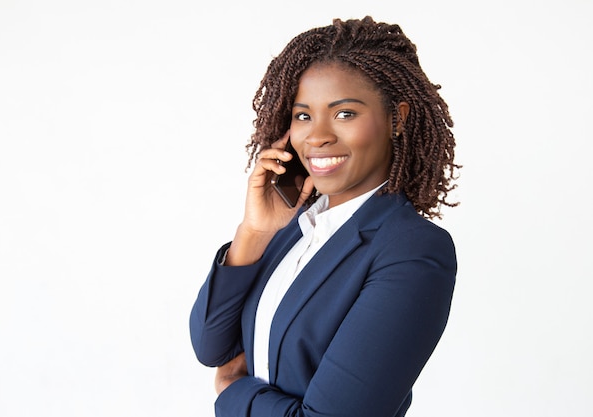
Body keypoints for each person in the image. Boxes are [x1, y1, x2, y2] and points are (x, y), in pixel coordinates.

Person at [189, 16, 460, 417]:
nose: (317, 136)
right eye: (303, 116)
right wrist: (254, 232)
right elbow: (211, 345)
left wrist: (232, 393)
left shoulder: (412, 250)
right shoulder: (292, 228)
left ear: (397, 118)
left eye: (344, 114)